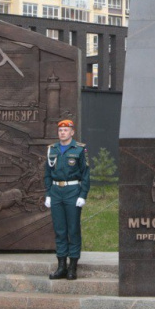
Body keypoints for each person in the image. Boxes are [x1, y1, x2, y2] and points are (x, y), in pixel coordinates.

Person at [44, 119, 90, 280]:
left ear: (72, 132)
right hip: (56, 191)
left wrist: (83, 195)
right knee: (59, 230)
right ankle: (61, 265)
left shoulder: (79, 149)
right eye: (60, 130)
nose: (62, 133)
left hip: (72, 191)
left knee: (73, 229)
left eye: (65, 130)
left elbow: (85, 174)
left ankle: (72, 266)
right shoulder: (52, 149)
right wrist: (48, 194)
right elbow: (47, 174)